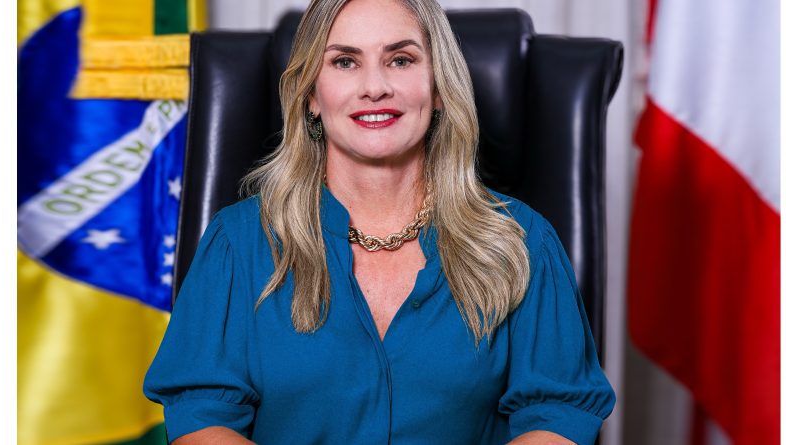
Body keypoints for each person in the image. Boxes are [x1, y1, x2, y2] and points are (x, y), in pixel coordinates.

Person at [143, 0, 616, 443]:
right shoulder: (238, 242)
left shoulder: (523, 242)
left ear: (438, 88)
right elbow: (202, 416)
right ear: (311, 95)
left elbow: (557, 412)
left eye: (401, 60)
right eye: (345, 61)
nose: (374, 87)